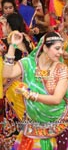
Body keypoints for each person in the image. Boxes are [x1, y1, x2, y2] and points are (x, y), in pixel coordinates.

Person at [2, 31, 68, 149]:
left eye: (62, 48)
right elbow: (7, 73)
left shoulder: (62, 69)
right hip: (34, 125)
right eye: (57, 48)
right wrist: (12, 46)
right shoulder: (28, 64)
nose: (61, 52)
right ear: (45, 47)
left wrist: (30, 94)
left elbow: (56, 99)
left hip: (58, 124)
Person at [0, 13, 34, 150]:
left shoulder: (10, 40)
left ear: (8, 25)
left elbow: (7, 68)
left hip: (13, 85)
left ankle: (15, 144)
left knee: (14, 120)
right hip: (27, 83)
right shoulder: (27, 38)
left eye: (4, 24)